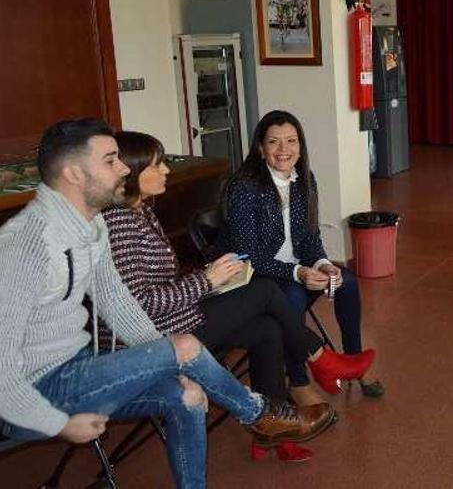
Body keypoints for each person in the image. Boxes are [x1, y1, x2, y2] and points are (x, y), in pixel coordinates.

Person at [0, 119, 334, 488]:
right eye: (111, 160)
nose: (125, 168)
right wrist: (57, 422)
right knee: (187, 344)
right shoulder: (24, 246)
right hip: (35, 392)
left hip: (85, 368)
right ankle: (262, 414)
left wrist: (167, 364)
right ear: (74, 174)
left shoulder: (90, 229)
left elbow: (123, 308)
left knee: (187, 395)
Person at [102, 131, 375, 422]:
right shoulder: (119, 223)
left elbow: (308, 236)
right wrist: (207, 280)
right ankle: (320, 360)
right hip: (154, 337)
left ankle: (274, 423)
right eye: (157, 165)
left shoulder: (140, 211)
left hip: (176, 317)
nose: (166, 170)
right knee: (267, 291)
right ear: (129, 172)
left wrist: (214, 277)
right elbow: (138, 305)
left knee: (268, 328)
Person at [221, 110, 383, 403]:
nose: (284, 150)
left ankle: (354, 360)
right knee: (292, 297)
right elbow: (249, 255)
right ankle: (298, 381)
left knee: (346, 281)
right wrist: (299, 273)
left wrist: (321, 263)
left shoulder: (303, 178)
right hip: (259, 278)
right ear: (260, 148)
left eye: (291, 141)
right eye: (274, 142)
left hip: (298, 269)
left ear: (300, 145)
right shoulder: (244, 186)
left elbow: (309, 236)